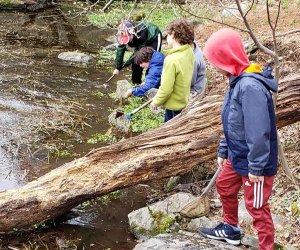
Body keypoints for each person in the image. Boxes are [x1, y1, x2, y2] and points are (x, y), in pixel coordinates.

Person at [199, 28, 278, 250]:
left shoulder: (250, 86)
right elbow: (231, 122)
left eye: (215, 59)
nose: (213, 66)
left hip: (256, 162)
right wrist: (224, 149)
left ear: (226, 56)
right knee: (224, 185)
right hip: (238, 154)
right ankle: (231, 229)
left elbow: (258, 131)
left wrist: (256, 167)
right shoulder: (236, 81)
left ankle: (266, 247)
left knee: (257, 207)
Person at [150, 20, 195, 122]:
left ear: (174, 35)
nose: (167, 38)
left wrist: (156, 102)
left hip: (173, 106)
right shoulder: (189, 51)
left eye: (168, 35)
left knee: (169, 131)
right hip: (183, 100)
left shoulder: (171, 60)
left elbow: (166, 89)